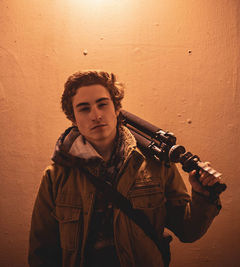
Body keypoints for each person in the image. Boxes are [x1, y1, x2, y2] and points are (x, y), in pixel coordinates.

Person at [28, 70, 223, 267]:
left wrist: (203, 195)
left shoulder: (156, 164)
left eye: (102, 104)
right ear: (73, 119)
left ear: (116, 109)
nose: (96, 115)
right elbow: (41, 253)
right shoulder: (56, 176)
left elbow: (188, 231)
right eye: (84, 108)